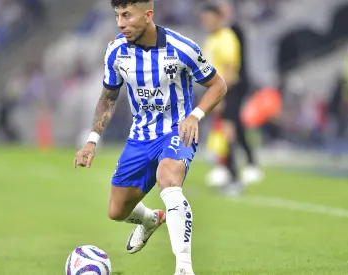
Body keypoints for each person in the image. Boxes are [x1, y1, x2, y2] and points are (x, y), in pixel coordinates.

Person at [73, 1, 228, 274]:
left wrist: (195, 116)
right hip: (140, 138)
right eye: (117, 16)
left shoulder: (183, 48)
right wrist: (92, 139)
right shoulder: (116, 52)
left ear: (148, 15)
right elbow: (109, 97)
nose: (120, 23)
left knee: (168, 181)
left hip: (177, 130)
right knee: (117, 211)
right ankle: (150, 219)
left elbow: (218, 84)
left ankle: (183, 268)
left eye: (127, 15)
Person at [200, 3, 260, 194]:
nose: (206, 23)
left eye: (209, 19)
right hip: (217, 91)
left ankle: (234, 177)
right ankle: (228, 171)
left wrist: (220, 96)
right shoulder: (212, 39)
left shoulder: (226, 37)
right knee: (224, 130)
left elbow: (229, 68)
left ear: (218, 18)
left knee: (228, 130)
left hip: (227, 90)